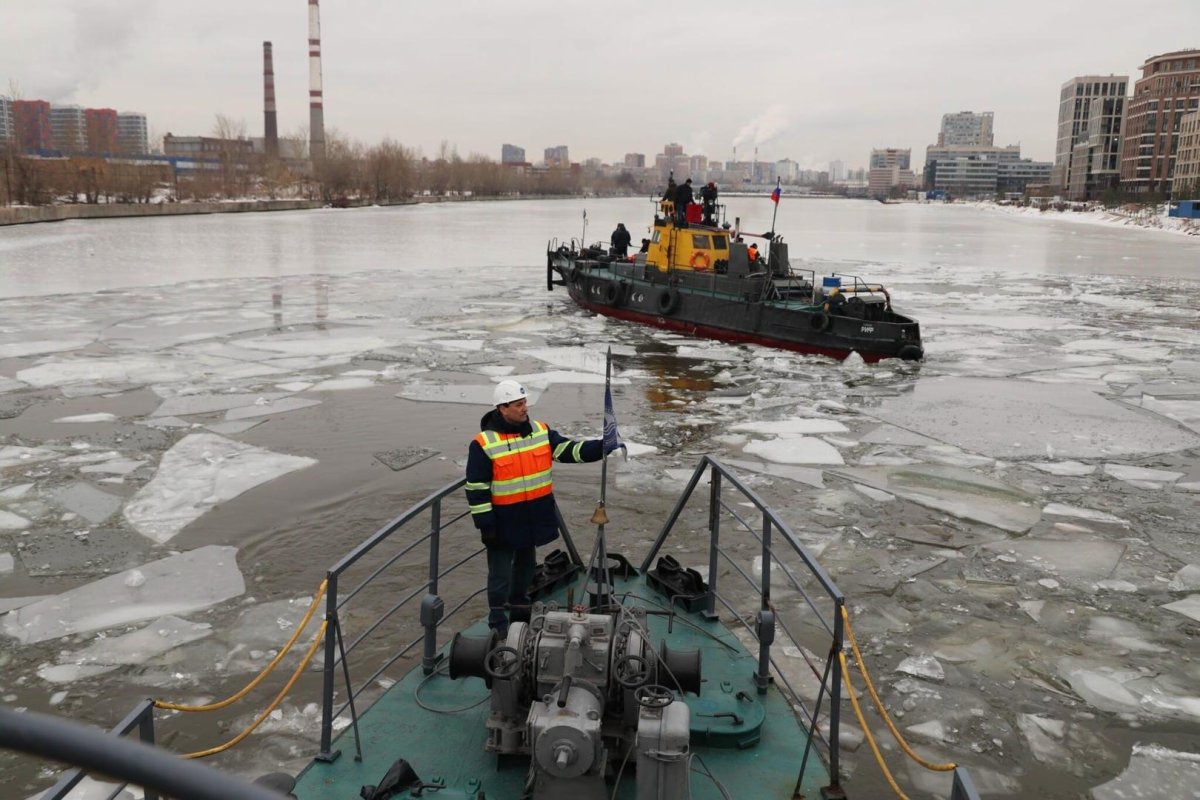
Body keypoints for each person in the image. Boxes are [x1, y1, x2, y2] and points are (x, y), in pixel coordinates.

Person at [465, 380, 615, 637]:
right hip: (502, 522)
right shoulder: (484, 444)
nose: (525, 408)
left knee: (526, 566)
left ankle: (520, 605)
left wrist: (601, 446)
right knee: (499, 574)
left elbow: (569, 450)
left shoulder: (540, 431)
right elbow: (476, 488)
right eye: (518, 404)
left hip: (532, 518)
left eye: (525, 403)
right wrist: (485, 525)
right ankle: (497, 621)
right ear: (502, 408)